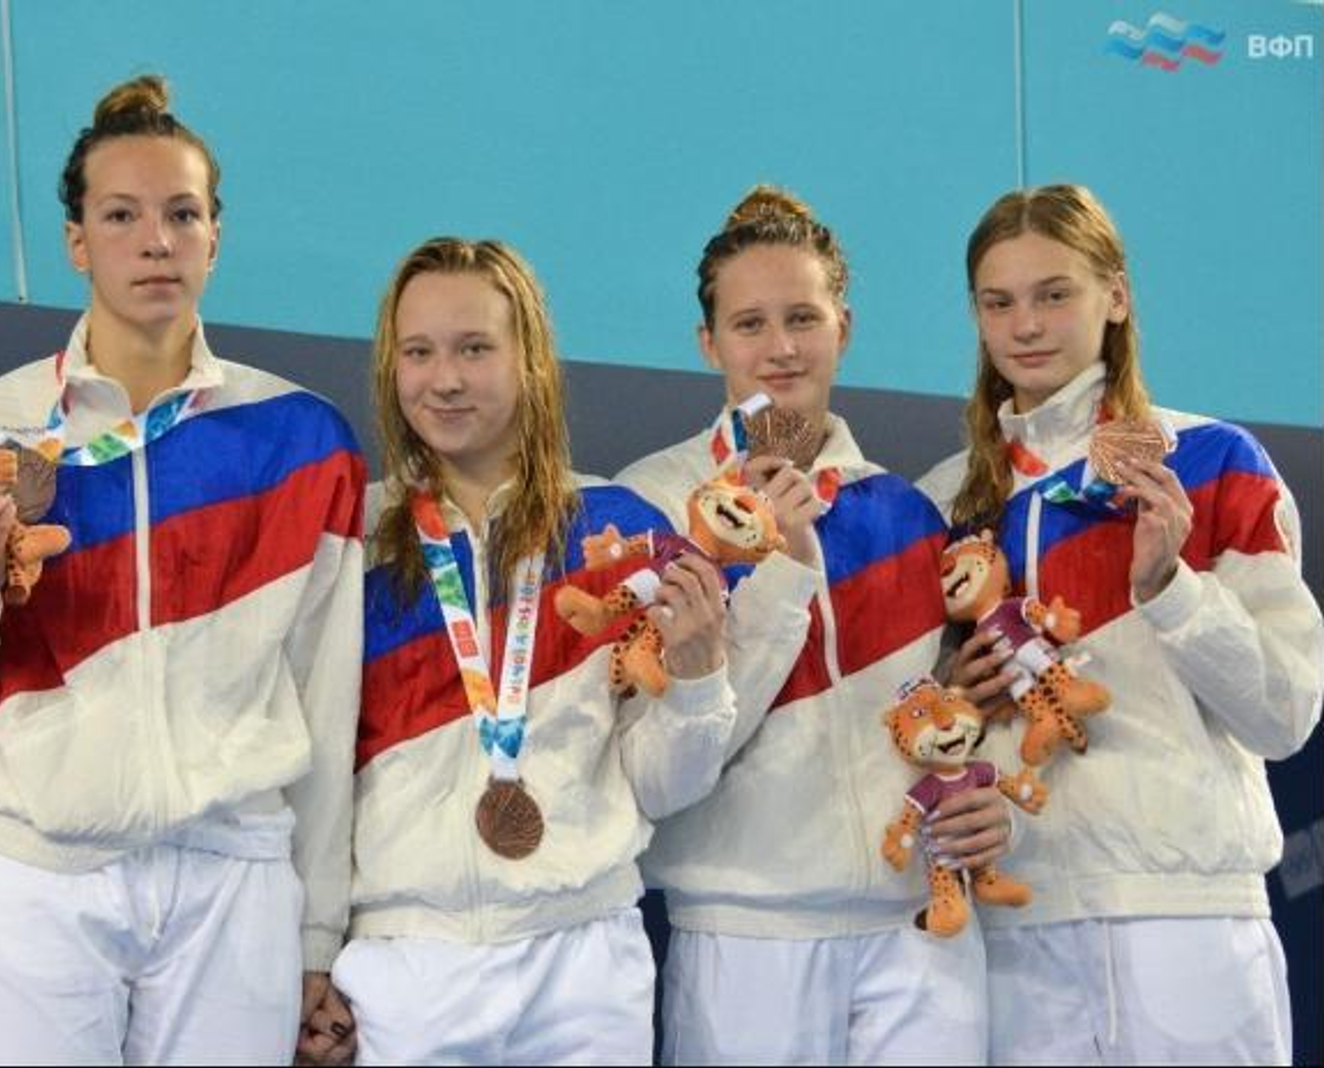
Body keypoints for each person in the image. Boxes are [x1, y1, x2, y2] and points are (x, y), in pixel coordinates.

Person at [0, 74, 365, 1065]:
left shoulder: (302, 442)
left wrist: (318, 936)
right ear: (76, 242)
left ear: (215, 237)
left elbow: (329, 694)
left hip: (235, 876)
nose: (156, 241)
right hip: (37, 867)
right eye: (121, 215)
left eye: (182, 214)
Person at [317, 236, 797, 1066]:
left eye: (475, 348)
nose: (445, 379)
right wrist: (312, 947)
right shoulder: (354, 540)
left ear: (531, 360)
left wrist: (695, 676)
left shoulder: (619, 531)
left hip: (586, 961)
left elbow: (662, 788)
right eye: (419, 352)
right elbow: (317, 773)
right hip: (408, 961)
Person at [918, 182, 1324, 1064]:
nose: (1027, 325)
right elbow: (921, 733)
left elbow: (1285, 714)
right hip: (1018, 929)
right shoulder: (945, 502)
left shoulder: (1213, 463)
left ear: (1117, 295)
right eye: (999, 302)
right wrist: (955, 697)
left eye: (1054, 293)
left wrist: (1170, 587)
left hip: (1185, 921)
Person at [619, 185, 1015, 1064]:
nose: (782, 348)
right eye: (750, 324)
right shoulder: (654, 504)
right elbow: (656, 772)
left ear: (844, 326)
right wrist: (785, 572)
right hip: (748, 938)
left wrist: (993, 796)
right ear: (708, 342)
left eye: (803, 317)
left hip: (921, 932)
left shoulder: (908, 513)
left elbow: (953, 718)